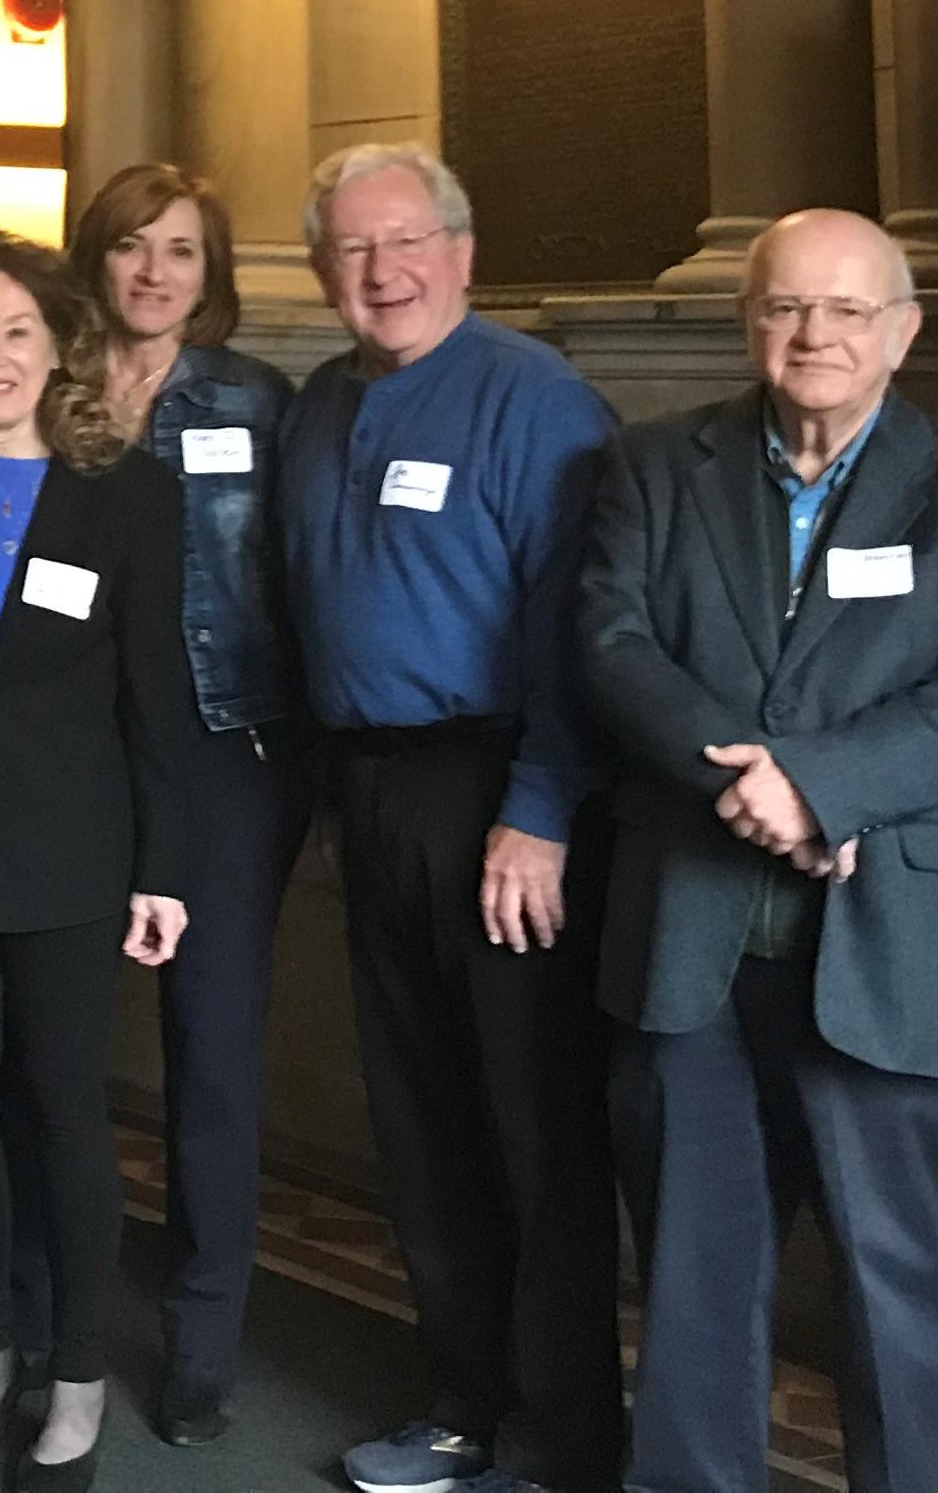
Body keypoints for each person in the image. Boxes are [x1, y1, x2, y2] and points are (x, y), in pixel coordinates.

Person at [581, 210, 938, 1493]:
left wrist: (823, 789)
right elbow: (614, 648)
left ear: (901, 333)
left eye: (849, 311)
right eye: (789, 307)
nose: (815, 336)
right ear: (752, 323)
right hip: (693, 936)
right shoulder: (652, 468)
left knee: (909, 1290)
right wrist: (750, 787)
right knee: (689, 1277)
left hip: (895, 941)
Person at [277, 142, 622, 1493]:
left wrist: (535, 811)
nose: (383, 270)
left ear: (463, 253)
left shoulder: (537, 402)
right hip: (369, 795)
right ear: (320, 271)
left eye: (407, 239)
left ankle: (563, 1434)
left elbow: (575, 630)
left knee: (530, 1128)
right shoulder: (313, 405)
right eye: (353, 249)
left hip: (500, 801)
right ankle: (461, 1399)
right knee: (417, 1117)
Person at [0, 226, 187, 1492]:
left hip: (73, 861)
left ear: (63, 345)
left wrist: (164, 867)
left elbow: (159, 696)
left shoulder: (128, 495)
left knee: (68, 1119)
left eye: (17, 331)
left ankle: (78, 1372)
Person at [72, 162, 311, 1445]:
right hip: (73, 755)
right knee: (52, 1044)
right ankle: (47, 1314)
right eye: (129, 247)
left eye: (180, 251)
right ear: (95, 259)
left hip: (224, 756)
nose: (154, 273)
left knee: (212, 1053)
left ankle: (201, 1334)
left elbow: (296, 577)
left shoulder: (256, 404)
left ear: (210, 273)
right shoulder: (47, 391)